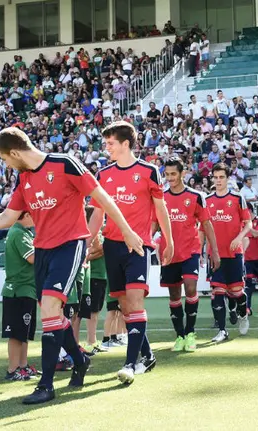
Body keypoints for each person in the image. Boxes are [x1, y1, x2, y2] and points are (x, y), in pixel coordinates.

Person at [0, 127, 142, 404]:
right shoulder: (24, 177)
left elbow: (102, 198)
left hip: (70, 245)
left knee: (51, 309)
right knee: (52, 315)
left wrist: (125, 230)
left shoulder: (64, 163)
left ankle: (46, 384)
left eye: (5, 159)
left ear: (14, 152)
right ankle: (79, 359)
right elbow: (7, 218)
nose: (6, 164)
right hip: (43, 250)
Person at [89, 121, 174, 385]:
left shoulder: (149, 171)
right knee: (125, 307)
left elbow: (161, 209)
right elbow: (97, 214)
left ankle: (130, 363)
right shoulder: (102, 175)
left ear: (126, 144)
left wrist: (168, 241)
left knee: (135, 303)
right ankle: (147, 355)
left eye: (111, 143)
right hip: (112, 246)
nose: (107, 148)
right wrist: (86, 243)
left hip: (138, 245)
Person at [159, 157, 220, 352]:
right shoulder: (160, 196)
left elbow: (207, 224)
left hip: (190, 250)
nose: (170, 178)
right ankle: (180, 336)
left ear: (183, 173)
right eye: (167, 174)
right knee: (174, 294)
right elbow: (154, 222)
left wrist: (215, 252)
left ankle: (191, 332)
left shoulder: (196, 196)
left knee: (191, 288)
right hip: (168, 252)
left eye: (173, 174)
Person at [206, 163, 253, 342]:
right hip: (215, 254)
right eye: (215, 177)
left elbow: (248, 223)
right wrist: (203, 251)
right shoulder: (207, 200)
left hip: (234, 253)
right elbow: (203, 227)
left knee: (236, 292)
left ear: (227, 179)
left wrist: (239, 237)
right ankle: (222, 330)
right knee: (217, 291)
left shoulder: (237, 198)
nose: (218, 181)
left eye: (221, 177)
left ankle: (243, 314)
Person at [2, 212, 40, 381]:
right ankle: (12, 370)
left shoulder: (23, 232)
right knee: (17, 333)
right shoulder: (17, 232)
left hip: (27, 289)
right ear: (25, 215)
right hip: (18, 289)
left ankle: (23, 367)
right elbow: (32, 258)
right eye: (32, 213)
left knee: (24, 333)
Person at [81, 207, 108, 355]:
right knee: (92, 311)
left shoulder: (97, 234)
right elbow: (97, 250)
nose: (102, 220)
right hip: (94, 276)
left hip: (100, 275)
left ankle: (93, 340)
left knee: (95, 311)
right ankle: (91, 341)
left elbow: (100, 251)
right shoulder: (92, 234)